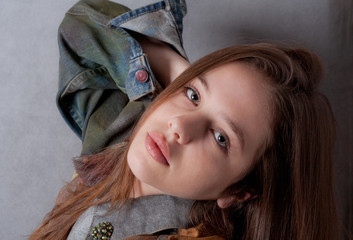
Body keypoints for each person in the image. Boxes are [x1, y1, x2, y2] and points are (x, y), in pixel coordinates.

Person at [30, 0, 339, 239]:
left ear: (238, 192)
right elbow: (80, 27)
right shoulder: (119, 137)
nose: (179, 126)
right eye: (192, 96)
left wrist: (194, 88)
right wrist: (182, 76)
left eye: (221, 138)